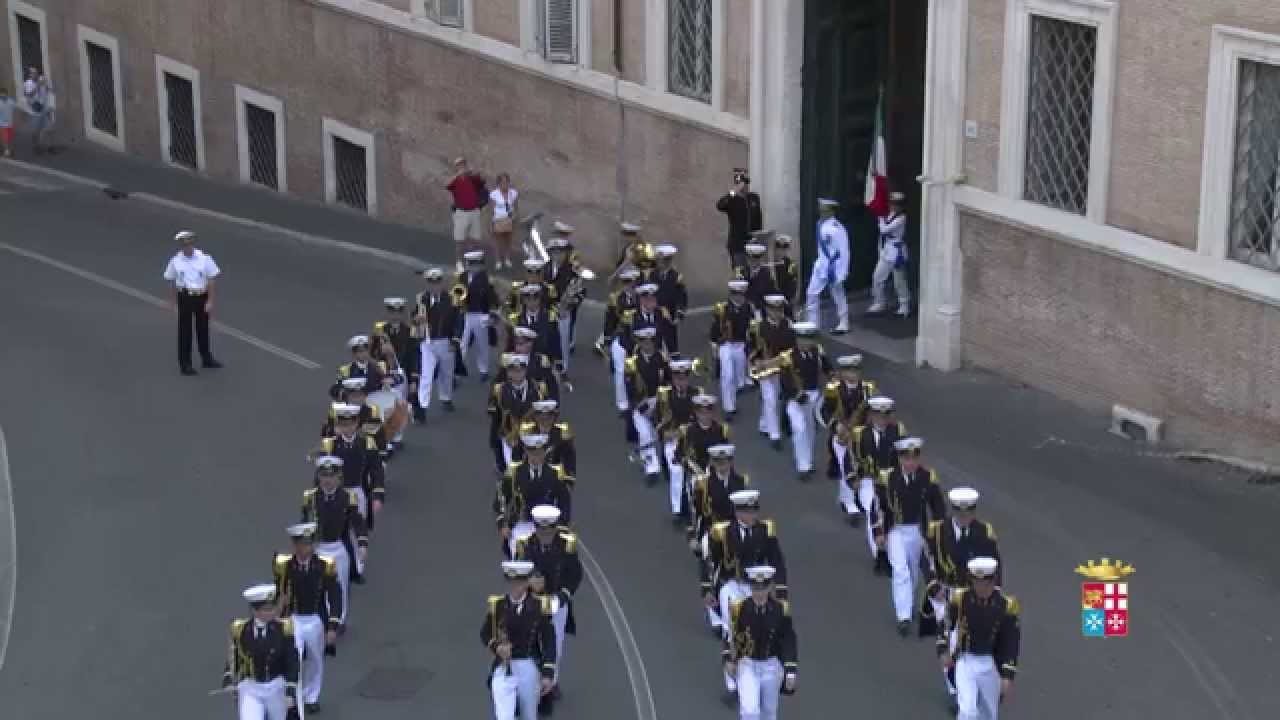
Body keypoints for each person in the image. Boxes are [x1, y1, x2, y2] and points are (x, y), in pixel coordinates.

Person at [922, 487, 1001, 701]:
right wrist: (932, 586)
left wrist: (995, 593)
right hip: (944, 592)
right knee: (950, 639)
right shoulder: (937, 531)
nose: (964, 518)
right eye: (959, 513)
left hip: (974, 594)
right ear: (953, 511)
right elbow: (927, 560)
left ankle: (975, 684)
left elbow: (996, 566)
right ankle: (955, 689)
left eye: (968, 513)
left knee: (973, 638)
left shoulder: (985, 532)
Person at [704, 491, 788, 687]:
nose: (752, 516)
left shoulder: (765, 531)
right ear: (738, 512)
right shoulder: (723, 532)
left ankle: (751, 670)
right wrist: (707, 588)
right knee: (731, 629)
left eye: (754, 511)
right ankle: (732, 678)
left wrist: (781, 591)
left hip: (757, 588)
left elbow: (777, 560)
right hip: (731, 585)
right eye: (747, 512)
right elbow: (710, 562)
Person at [872, 437, 946, 636]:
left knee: (913, 570)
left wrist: (939, 532)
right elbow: (877, 505)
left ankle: (907, 603)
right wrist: (878, 531)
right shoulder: (887, 477)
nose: (911, 463)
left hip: (917, 530)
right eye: (906, 458)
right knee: (900, 569)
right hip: (895, 529)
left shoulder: (927, 477)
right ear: (899, 458)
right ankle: (903, 615)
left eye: (914, 458)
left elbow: (938, 507)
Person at [515, 505, 583, 710]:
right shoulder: (525, 545)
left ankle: (549, 686)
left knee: (556, 644)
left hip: (555, 602)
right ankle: (528, 688)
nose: (545, 534)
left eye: (549, 529)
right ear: (535, 527)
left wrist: (563, 596)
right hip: (531, 602)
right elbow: (516, 573)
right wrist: (528, 585)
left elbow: (575, 574)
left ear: (555, 528)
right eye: (541, 529)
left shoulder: (566, 545)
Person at [272, 522, 342, 716]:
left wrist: (333, 626)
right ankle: (293, 695)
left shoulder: (323, 566)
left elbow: (335, 595)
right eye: (301, 544)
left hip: (314, 619)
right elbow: (277, 591)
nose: (305, 548)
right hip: (293, 618)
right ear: (294, 546)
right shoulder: (284, 566)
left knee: (315, 659)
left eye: (308, 544)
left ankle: (311, 697)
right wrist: (279, 606)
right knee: (294, 657)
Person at [937, 558, 1020, 720]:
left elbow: (1011, 642)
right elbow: (945, 623)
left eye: (983, 582)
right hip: (965, 660)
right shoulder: (960, 599)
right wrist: (943, 649)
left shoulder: (1006, 605)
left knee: (988, 714)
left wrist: (1007, 675)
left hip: (991, 664)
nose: (978, 587)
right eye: (975, 581)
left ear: (993, 581)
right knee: (967, 711)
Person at [481, 561, 557, 720]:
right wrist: (497, 647)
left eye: (519, 582)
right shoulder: (498, 605)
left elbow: (549, 641)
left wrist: (547, 673)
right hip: (503, 667)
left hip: (528, 665)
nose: (514, 586)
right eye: (511, 582)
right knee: (504, 716)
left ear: (526, 583)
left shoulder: (539, 606)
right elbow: (485, 633)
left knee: (529, 715)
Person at [722, 565, 798, 718]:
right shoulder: (739, 608)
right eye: (755, 588)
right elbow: (730, 634)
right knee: (750, 711)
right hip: (747, 664)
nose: (759, 593)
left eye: (762, 588)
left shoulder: (779, 610)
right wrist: (729, 659)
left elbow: (788, 638)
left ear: (769, 588)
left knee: (769, 712)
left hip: (771, 666)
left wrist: (790, 671)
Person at [301, 457, 368, 626]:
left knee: (341, 585)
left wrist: (362, 543)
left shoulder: (347, 497)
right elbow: (304, 522)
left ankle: (340, 620)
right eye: (324, 476)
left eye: (331, 476)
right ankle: (324, 617)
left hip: (338, 547)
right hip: (317, 547)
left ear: (338, 477)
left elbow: (357, 522)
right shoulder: (311, 498)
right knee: (318, 585)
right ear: (319, 477)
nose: (328, 480)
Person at [220, 584, 300, 720]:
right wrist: (228, 679)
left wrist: (290, 691)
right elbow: (234, 657)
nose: (272, 612)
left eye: (272, 608)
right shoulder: (240, 630)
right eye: (266, 610)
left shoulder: (283, 629)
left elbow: (292, 660)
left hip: (276, 686)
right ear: (255, 611)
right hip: (251, 687)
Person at [818, 354, 879, 518]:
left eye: (857, 370)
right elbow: (824, 410)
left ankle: (862, 496)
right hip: (842, 436)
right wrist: (835, 425)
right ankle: (848, 501)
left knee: (863, 466)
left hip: (862, 436)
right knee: (846, 468)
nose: (854, 374)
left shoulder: (868, 389)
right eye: (850, 370)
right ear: (843, 372)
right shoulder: (834, 389)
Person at [494, 435, 573, 560]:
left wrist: (562, 525)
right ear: (526, 451)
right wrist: (502, 524)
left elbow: (564, 501)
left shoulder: (555, 473)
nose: (536, 456)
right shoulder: (515, 472)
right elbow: (501, 499)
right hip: (522, 523)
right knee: (519, 558)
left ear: (544, 451)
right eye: (532, 452)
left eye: (539, 452)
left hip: (548, 525)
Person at [852, 396, 907, 573]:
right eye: (878, 415)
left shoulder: (898, 431)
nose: (882, 420)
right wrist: (853, 479)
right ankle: (880, 553)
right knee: (872, 508)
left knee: (893, 511)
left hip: (892, 479)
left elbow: (906, 457)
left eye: (886, 415)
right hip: (870, 479)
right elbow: (850, 459)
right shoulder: (860, 434)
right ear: (871, 415)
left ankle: (893, 549)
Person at [162, 230, 222, 375]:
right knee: (185, 331)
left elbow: (211, 280)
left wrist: (210, 300)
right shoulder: (175, 261)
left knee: (203, 328)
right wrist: (172, 302)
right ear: (181, 246)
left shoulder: (204, 258)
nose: (187, 248)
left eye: (189, 245)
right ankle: (185, 363)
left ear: (192, 244)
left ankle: (206, 358)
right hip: (185, 297)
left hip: (201, 295)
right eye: (184, 246)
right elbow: (171, 281)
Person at [777, 323, 831, 481]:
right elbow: (785, 380)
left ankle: (808, 460)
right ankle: (803, 467)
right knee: (799, 428)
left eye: (808, 339)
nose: (805, 343)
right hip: (795, 399)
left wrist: (833, 379)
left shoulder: (818, 352)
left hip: (813, 395)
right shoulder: (788, 357)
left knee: (810, 430)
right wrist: (796, 394)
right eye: (802, 339)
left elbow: (828, 369)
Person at [654, 359, 705, 523]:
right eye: (678, 378)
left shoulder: (697, 394)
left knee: (696, 475)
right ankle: (677, 509)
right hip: (674, 442)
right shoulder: (664, 396)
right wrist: (671, 434)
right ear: (673, 379)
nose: (681, 382)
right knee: (677, 471)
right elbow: (659, 425)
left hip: (693, 441)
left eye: (684, 378)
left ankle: (694, 509)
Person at [412, 267, 465, 418]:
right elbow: (414, 317)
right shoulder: (421, 299)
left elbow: (459, 321)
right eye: (431, 283)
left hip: (445, 342)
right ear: (428, 284)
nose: (434, 286)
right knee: (426, 375)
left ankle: (446, 398)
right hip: (428, 342)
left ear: (442, 283)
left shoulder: (452, 299)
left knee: (446, 373)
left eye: (437, 282)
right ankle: (422, 407)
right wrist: (417, 320)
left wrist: (455, 340)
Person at [624, 326, 671, 486]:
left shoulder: (662, 359)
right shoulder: (632, 363)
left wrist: (660, 404)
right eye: (644, 342)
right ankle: (651, 468)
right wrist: (644, 408)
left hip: (661, 401)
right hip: (642, 405)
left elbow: (668, 382)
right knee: (645, 435)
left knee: (664, 435)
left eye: (650, 341)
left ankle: (666, 464)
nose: (647, 345)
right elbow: (630, 390)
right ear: (639, 343)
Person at [488, 354, 551, 474]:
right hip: (509, 438)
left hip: (532, 437)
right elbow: (496, 419)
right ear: (508, 372)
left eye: (520, 370)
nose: (517, 374)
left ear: (526, 370)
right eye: (513, 370)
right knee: (511, 472)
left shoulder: (539, 389)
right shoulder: (499, 390)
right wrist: (494, 442)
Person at [748, 295, 795, 450]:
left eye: (779, 309)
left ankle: (763, 423)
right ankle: (775, 435)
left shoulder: (788, 325)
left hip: (783, 367)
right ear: (767, 309)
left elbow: (792, 349)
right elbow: (750, 349)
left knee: (779, 398)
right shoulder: (758, 327)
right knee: (770, 399)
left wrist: (774, 362)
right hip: (765, 370)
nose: (777, 312)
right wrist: (757, 362)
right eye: (773, 309)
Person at [710, 280, 754, 422]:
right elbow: (715, 330)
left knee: (736, 377)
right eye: (735, 294)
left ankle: (733, 400)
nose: (738, 297)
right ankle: (729, 408)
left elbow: (753, 329)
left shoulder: (748, 308)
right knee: (727, 376)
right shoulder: (723, 309)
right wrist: (715, 349)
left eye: (740, 294)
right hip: (726, 345)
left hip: (740, 345)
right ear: (731, 294)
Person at [806, 198, 850, 334]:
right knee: (811, 293)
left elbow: (844, 251)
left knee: (838, 294)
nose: (821, 212)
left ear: (831, 211)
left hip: (834, 267)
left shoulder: (837, 228)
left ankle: (844, 322)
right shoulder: (820, 224)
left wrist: (843, 271)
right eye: (821, 210)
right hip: (821, 266)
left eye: (824, 210)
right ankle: (813, 324)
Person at [454, 251, 501, 380]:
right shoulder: (462, 277)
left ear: (481, 265)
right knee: (461, 343)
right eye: (471, 264)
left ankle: (484, 370)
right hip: (466, 313)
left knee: (482, 344)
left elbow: (492, 297)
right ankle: (457, 370)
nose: (473, 267)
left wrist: (493, 314)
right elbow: (457, 293)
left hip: (481, 314)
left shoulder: (485, 279)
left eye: (476, 264)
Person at [870, 192, 911, 317]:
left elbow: (884, 230)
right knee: (877, 277)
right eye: (892, 203)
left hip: (897, 252)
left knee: (899, 281)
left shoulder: (901, 217)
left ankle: (904, 306)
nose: (894, 206)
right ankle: (879, 302)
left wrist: (880, 219)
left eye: (897, 204)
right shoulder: (889, 214)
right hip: (887, 251)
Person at [716, 168, 763, 272]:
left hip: (753, 244)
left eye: (746, 183)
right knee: (740, 275)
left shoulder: (753, 198)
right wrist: (733, 192)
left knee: (754, 275)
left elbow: (758, 219)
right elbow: (720, 205)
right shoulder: (732, 200)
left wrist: (759, 238)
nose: (745, 186)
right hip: (737, 245)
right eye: (742, 183)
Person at [446, 156, 488, 272]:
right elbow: (447, 185)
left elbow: (482, 182)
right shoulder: (455, 180)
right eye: (459, 165)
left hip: (474, 212)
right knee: (460, 240)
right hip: (461, 213)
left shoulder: (472, 178)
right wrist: (458, 175)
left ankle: (472, 261)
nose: (462, 167)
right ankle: (459, 262)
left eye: (463, 165)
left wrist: (475, 173)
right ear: (456, 168)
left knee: (475, 239)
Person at [513, 400, 577, 475]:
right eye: (541, 418)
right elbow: (516, 457)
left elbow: (569, 460)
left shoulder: (562, 434)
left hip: (553, 477)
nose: (545, 421)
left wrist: (567, 479)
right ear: (536, 418)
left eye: (549, 417)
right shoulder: (527, 432)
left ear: (554, 418)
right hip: (528, 475)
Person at [330, 335, 384, 399]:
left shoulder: (380, 366)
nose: (364, 354)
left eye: (365, 350)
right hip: (354, 403)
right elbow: (336, 388)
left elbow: (389, 380)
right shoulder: (345, 370)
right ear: (354, 354)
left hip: (376, 402)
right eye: (360, 351)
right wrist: (344, 394)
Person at [489, 172, 519, 270]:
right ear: (499, 183)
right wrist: (491, 222)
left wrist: (514, 217)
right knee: (498, 241)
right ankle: (498, 260)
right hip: (498, 219)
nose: (505, 184)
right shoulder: (494, 194)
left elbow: (515, 207)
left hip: (509, 219)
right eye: (502, 182)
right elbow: (492, 209)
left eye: (506, 182)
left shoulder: (513, 193)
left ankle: (507, 259)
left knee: (508, 241)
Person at [22, 68, 53, 154]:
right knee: (35, 131)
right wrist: (38, 86)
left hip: (44, 108)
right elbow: (29, 94)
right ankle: (35, 147)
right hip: (35, 110)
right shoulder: (27, 83)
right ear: (30, 75)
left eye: (36, 73)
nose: (35, 75)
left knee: (49, 129)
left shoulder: (42, 81)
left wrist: (46, 84)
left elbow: (49, 91)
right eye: (33, 73)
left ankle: (49, 147)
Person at [0, 86, 16, 157]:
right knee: (5, 138)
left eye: (4, 94)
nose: (3, 95)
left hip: (10, 123)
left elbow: (15, 108)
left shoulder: (10, 101)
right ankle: (6, 151)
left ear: (7, 94)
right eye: (1, 94)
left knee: (9, 138)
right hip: (2, 124)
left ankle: (8, 149)